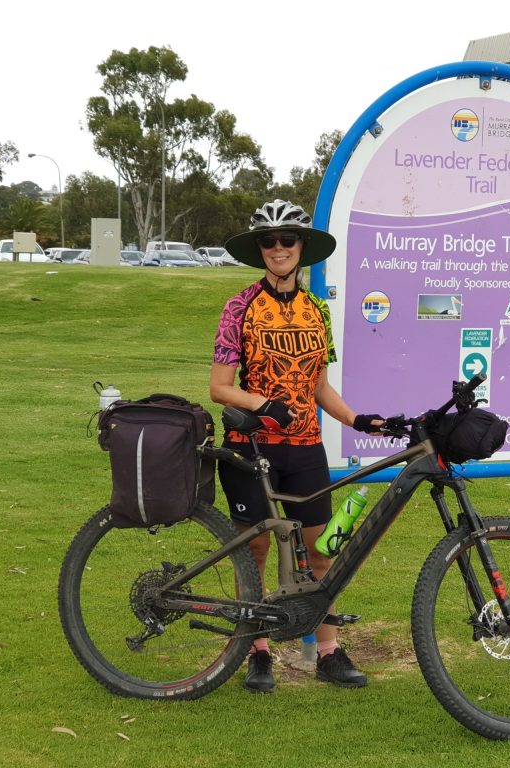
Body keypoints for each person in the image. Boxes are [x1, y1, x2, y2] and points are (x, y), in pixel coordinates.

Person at [210, 199, 383, 694]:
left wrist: (357, 419)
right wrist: (264, 404)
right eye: (269, 241)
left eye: (288, 240)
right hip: (252, 447)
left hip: (306, 447)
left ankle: (328, 652)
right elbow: (220, 387)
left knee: (320, 553)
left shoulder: (318, 311)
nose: (279, 248)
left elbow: (319, 387)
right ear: (259, 250)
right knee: (257, 551)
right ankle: (258, 652)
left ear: (302, 248)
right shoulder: (239, 307)